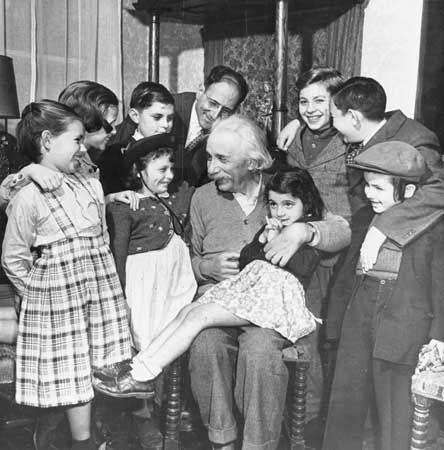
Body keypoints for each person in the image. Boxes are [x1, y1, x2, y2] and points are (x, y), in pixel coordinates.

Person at [122, 114, 346, 450]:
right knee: (206, 343)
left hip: (269, 310)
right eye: (210, 157)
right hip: (219, 296)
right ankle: (222, 440)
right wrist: (205, 266)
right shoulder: (202, 197)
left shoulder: (283, 190)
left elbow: (340, 230)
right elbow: (183, 259)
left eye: (222, 159)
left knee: (259, 351)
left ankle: (259, 445)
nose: (211, 168)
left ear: (254, 162)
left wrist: (304, 231)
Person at [93, 168, 323, 394]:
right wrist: (262, 239)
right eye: (273, 204)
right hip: (252, 295)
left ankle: (144, 375)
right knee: (190, 310)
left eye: (288, 204)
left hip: (274, 305)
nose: (279, 211)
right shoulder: (272, 226)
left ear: (306, 204)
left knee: (200, 317)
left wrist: (276, 241)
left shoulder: (305, 232)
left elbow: (304, 266)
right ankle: (135, 366)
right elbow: (247, 260)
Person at [1, 100, 132, 450]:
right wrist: (39, 294)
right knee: (70, 370)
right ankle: (80, 441)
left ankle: (88, 433)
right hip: (56, 300)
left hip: (98, 291)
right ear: (47, 140)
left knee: (97, 365)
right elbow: (13, 257)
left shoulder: (90, 184)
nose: (82, 146)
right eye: (75, 139)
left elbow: (101, 237)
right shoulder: (28, 196)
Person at [322, 141, 444, 450]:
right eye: (366, 186)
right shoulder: (367, 218)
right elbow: (348, 276)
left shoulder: (434, 227)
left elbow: (440, 286)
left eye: (377, 188)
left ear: (408, 192)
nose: (368, 194)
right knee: (344, 403)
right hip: (360, 316)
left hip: (402, 324)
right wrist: (336, 324)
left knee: (395, 411)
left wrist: (438, 336)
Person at [282, 67, 351, 422]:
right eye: (303, 101)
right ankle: (293, 418)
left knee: (319, 338)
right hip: (295, 253)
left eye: (319, 101)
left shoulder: (348, 141)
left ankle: (309, 423)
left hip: (333, 254)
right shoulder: (295, 138)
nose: (309, 109)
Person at [329, 76, 444, 271]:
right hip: (359, 238)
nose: (332, 126)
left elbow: (439, 189)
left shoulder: (415, 138)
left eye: (333, 118)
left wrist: (382, 228)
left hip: (399, 250)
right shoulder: (361, 133)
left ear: (353, 117)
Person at [105, 133, 196, 370]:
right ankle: (145, 402)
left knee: (173, 337)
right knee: (146, 338)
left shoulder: (175, 198)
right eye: (162, 170)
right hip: (144, 283)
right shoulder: (125, 206)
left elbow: (188, 191)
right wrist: (120, 294)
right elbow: (118, 253)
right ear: (138, 170)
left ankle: (166, 398)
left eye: (171, 169)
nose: (170, 176)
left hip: (174, 281)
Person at [0, 80, 137, 208]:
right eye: (109, 124)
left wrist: (110, 199)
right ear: (87, 120)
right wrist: (28, 172)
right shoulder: (55, 158)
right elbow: (7, 198)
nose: (114, 131)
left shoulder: (87, 162)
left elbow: (79, 208)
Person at [112, 65, 249, 186]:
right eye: (213, 103)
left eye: (225, 111)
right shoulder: (165, 109)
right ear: (201, 91)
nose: (214, 115)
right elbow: (115, 151)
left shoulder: (225, 132)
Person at [99, 81, 175, 196]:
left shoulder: (176, 153)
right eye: (157, 117)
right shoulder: (114, 156)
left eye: (170, 118)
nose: (165, 124)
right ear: (135, 116)